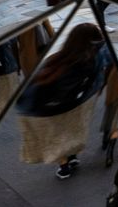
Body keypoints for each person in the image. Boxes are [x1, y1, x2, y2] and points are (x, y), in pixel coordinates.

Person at [16, 23, 110, 180]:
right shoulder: (93, 56)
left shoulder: (63, 59)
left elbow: (51, 88)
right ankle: (72, 157)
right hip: (75, 102)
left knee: (57, 133)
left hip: (53, 105)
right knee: (69, 129)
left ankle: (64, 166)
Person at [101, 63, 118, 168]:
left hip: (113, 83)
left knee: (109, 113)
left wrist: (102, 86)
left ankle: (105, 138)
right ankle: (109, 154)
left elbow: (106, 67)